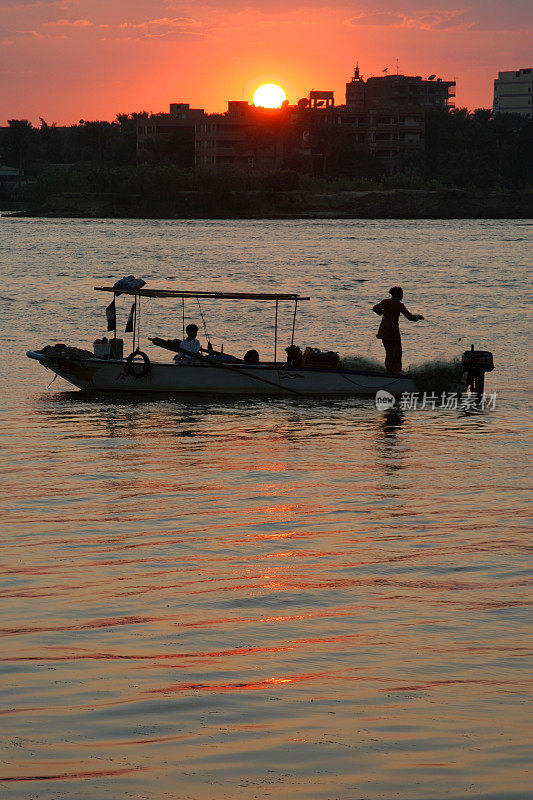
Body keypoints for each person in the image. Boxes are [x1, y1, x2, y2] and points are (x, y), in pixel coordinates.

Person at [372, 286, 424, 373]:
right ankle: (396, 372)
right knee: (397, 353)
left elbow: (375, 308)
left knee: (388, 353)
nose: (403, 295)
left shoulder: (385, 302)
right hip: (393, 332)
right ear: (399, 294)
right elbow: (410, 317)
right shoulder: (399, 304)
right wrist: (418, 317)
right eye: (402, 294)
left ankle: (389, 371)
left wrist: (381, 313)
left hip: (383, 331)